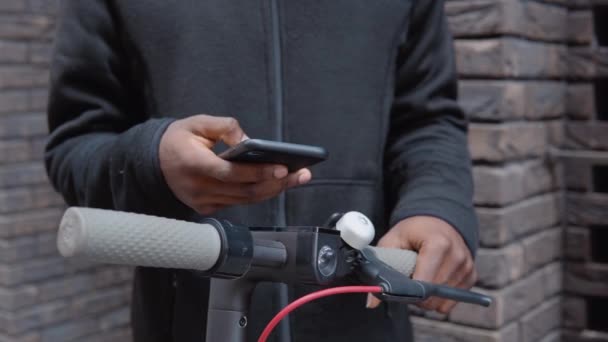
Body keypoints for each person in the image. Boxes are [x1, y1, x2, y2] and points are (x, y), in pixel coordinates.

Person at [45, 1, 478, 341]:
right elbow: (77, 143)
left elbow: (427, 120)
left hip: (359, 321)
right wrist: (149, 161)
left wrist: (437, 205)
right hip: (187, 322)